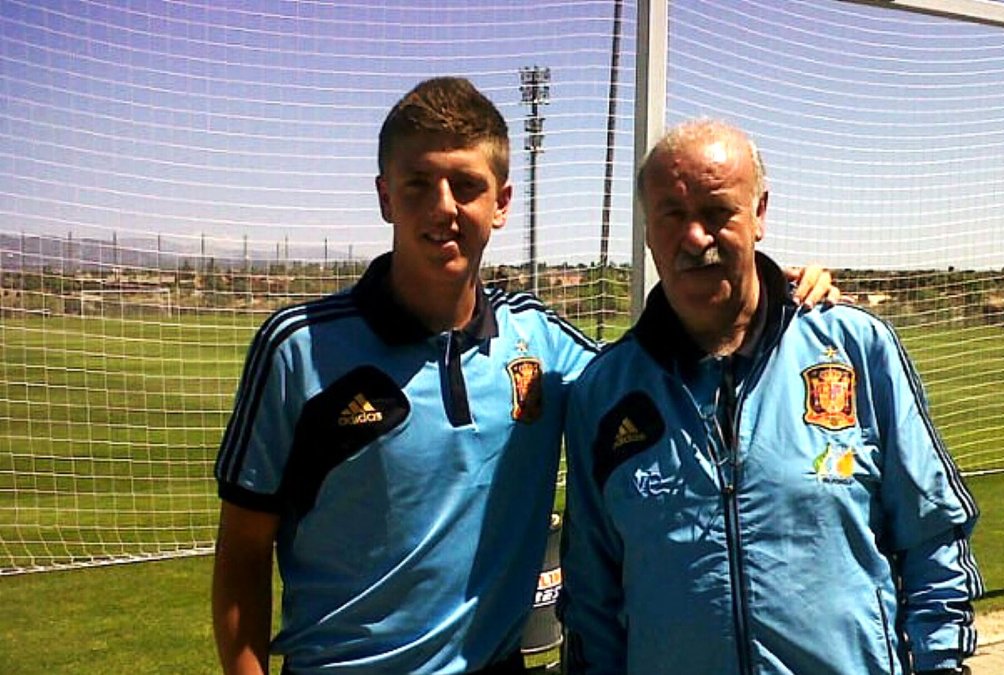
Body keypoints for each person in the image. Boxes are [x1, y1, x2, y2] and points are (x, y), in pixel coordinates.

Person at [211, 79, 839, 675]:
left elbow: (651, 366)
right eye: (417, 184)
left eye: (465, 185)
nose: (442, 208)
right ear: (384, 196)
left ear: (502, 202)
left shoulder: (540, 344)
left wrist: (774, 302)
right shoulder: (299, 348)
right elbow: (242, 552)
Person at [560, 119, 984, 675]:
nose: (695, 237)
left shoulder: (855, 350)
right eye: (673, 215)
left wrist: (941, 664)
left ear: (759, 213)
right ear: (647, 228)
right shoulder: (604, 393)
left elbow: (932, 536)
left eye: (717, 212)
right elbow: (593, 601)